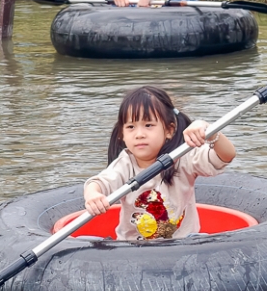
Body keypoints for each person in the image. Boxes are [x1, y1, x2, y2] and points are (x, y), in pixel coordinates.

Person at [83, 86, 236, 241]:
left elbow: (225, 156)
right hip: (133, 249)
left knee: (202, 238)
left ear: (169, 130)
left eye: (148, 125)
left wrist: (210, 131)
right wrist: (93, 195)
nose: (139, 134)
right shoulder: (125, 163)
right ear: (122, 134)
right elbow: (98, 183)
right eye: (131, 127)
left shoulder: (183, 157)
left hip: (184, 245)